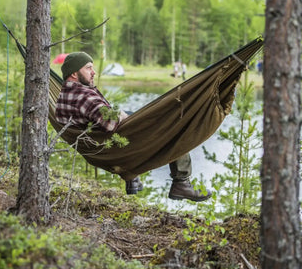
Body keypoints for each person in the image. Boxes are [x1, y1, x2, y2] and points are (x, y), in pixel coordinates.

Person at [55, 52, 211, 202]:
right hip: (116, 147)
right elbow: (109, 123)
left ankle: (132, 177)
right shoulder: (83, 96)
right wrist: (121, 114)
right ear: (74, 74)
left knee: (133, 113)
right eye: (88, 68)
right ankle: (181, 182)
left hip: (99, 146)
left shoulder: (65, 94)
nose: (94, 72)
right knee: (173, 126)